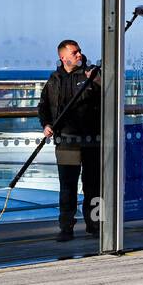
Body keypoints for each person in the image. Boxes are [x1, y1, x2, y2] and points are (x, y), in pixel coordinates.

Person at [37, 39, 101, 242]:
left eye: (80, 51)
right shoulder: (54, 79)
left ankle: (96, 225)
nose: (79, 55)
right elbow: (43, 106)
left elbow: (108, 96)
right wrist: (46, 124)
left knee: (94, 186)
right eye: (74, 52)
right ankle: (66, 228)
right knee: (67, 187)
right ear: (63, 57)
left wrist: (95, 81)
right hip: (66, 141)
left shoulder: (93, 74)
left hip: (92, 141)